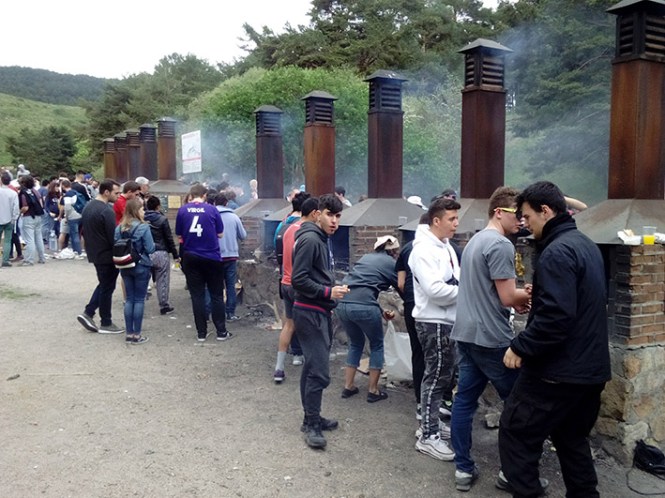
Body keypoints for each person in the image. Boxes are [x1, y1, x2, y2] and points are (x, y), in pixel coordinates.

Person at [499, 181, 611, 497]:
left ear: (546, 211)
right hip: (590, 373)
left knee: (516, 435)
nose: (525, 223)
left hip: (557, 373)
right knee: (572, 440)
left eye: (527, 216)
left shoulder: (557, 252)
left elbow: (556, 318)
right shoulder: (586, 245)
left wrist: (520, 346)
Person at [449, 187, 533, 492]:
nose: (521, 220)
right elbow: (508, 295)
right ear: (499, 212)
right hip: (492, 339)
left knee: (464, 401)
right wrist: (529, 294)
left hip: (466, 334)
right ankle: (513, 474)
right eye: (517, 214)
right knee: (519, 405)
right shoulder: (500, 244)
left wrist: (514, 299)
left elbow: (490, 292)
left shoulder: (474, 241)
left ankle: (462, 469)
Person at [291, 193, 349, 449]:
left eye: (338, 216)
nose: (334, 221)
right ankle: (311, 424)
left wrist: (330, 289)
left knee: (311, 367)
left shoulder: (319, 238)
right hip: (309, 311)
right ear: (317, 214)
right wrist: (328, 292)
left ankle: (312, 417)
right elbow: (299, 280)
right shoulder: (311, 240)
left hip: (317, 310)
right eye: (329, 214)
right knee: (319, 372)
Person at [408, 197, 460, 462]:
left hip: (446, 320)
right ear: (436, 221)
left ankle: (431, 424)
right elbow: (435, 290)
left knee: (442, 376)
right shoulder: (423, 251)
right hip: (433, 322)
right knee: (436, 377)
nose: (456, 224)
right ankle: (428, 436)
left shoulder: (445, 246)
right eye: (452, 219)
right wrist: (468, 292)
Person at [337, 235, 399, 402]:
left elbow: (362, 288)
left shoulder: (365, 258)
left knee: (355, 343)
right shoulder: (391, 263)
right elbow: (401, 286)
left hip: (343, 304)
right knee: (377, 344)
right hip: (364, 307)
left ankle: (348, 386)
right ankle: (373, 390)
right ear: (392, 251)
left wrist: (380, 310)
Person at [175, 183, 232, 342]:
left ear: (191, 195)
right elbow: (220, 234)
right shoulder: (212, 210)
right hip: (211, 257)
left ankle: (201, 333)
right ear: (205, 195)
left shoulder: (182, 210)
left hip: (191, 256)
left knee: (197, 296)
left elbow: (179, 235)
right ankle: (221, 332)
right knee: (216, 295)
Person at [272, 197, 319, 383]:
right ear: (314, 213)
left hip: (286, 282)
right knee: (310, 325)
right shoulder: (309, 233)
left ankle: (279, 368)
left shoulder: (287, 228)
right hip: (301, 285)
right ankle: (312, 367)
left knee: (289, 325)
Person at [77, 179, 125, 334]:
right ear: (106, 192)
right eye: (116, 193)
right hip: (107, 254)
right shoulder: (106, 210)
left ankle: (90, 312)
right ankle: (105, 321)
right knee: (107, 287)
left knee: (104, 285)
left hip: (94, 252)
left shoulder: (88, 206)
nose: (118, 196)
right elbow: (113, 236)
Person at [395, 213, 429, 420]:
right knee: (438, 357)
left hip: (411, 305)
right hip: (433, 308)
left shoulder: (407, 248)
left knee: (418, 353)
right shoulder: (447, 248)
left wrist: (408, 297)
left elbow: (400, 283)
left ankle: (420, 402)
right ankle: (441, 400)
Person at [115, 199, 155, 344]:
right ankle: (137, 335)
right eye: (142, 209)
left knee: (129, 299)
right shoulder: (144, 227)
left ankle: (129, 333)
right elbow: (150, 249)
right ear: (137, 211)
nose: (144, 211)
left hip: (125, 264)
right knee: (139, 300)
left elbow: (116, 244)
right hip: (141, 264)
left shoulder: (119, 228)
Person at [144, 196, 180, 315]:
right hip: (161, 252)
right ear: (158, 206)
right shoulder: (162, 219)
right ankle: (164, 306)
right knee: (162, 280)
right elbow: (169, 238)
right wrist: (175, 255)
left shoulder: (141, 218)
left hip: (145, 253)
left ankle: (139, 305)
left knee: (142, 279)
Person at [214, 192, 247, 321]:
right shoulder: (234, 217)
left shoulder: (211, 216)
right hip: (231, 255)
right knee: (230, 285)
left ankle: (217, 312)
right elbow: (243, 235)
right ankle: (230, 313)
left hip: (215, 256)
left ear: (214, 203)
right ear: (226, 203)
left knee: (216, 285)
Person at [17, 175, 46, 266]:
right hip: (38, 216)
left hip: (28, 217)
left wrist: (19, 212)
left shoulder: (23, 193)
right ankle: (42, 258)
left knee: (29, 240)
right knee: (39, 238)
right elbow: (41, 204)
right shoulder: (35, 191)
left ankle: (29, 260)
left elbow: (25, 207)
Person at [0, 171, 20, 267]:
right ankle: (5, 260)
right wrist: (14, 218)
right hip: (9, 219)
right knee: (7, 241)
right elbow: (16, 208)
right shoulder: (13, 193)